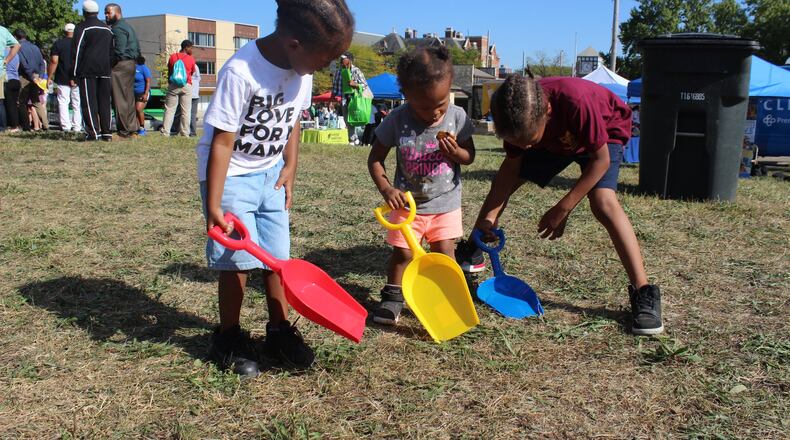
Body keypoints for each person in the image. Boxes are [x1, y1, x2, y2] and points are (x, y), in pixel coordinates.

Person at [196, 0, 354, 377]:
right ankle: (228, 335)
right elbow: (221, 141)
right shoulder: (241, 71)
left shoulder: (302, 72)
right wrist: (215, 203)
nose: (326, 66)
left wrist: (290, 166)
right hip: (231, 175)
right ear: (295, 44)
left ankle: (279, 330)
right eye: (325, 59)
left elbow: (293, 123)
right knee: (236, 263)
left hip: (270, 175)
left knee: (277, 259)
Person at [464, 73, 664, 335]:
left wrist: (563, 207)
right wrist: (489, 217)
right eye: (518, 143)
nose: (523, 147)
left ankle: (644, 292)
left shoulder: (576, 102)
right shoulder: (517, 117)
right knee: (506, 183)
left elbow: (599, 161)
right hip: (554, 141)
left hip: (603, 135)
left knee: (603, 202)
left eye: (529, 141)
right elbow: (510, 169)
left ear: (547, 111)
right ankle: (473, 247)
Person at [367, 46, 476, 325]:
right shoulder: (397, 120)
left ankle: (445, 298)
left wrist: (456, 154)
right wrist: (387, 189)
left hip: (445, 203)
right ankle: (393, 296)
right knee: (402, 253)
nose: (434, 113)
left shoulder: (457, 117)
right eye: (425, 107)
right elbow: (376, 159)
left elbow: (469, 156)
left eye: (440, 104)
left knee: (445, 254)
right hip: (408, 204)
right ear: (406, 95)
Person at [71, 0, 114, 141]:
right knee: (105, 103)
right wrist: (109, 67)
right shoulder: (107, 29)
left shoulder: (82, 28)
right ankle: (107, 132)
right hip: (105, 70)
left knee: (89, 103)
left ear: (84, 12)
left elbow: (77, 51)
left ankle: (93, 132)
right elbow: (111, 52)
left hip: (87, 70)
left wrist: (75, 72)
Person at [106, 3, 141, 138]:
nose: (106, 16)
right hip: (131, 64)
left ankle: (123, 131)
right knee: (129, 98)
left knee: (119, 98)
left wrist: (110, 64)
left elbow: (118, 51)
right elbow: (137, 48)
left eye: (108, 12)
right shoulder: (128, 27)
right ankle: (132, 128)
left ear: (117, 13)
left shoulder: (117, 28)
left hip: (121, 64)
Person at [49, 23, 82, 133]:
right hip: (78, 77)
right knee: (77, 103)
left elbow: (54, 61)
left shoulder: (58, 43)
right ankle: (77, 126)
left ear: (64, 31)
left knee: (63, 102)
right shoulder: (80, 43)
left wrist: (49, 76)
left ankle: (66, 126)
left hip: (62, 76)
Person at [161, 40, 196, 137]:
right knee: (186, 111)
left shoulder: (173, 57)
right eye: (191, 47)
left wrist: (170, 82)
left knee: (169, 109)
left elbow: (170, 70)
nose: (192, 49)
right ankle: (185, 133)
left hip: (173, 85)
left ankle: (165, 132)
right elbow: (192, 72)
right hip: (186, 85)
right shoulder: (191, 59)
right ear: (186, 47)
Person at [13, 29, 46, 132]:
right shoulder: (35, 47)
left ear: (15, 37)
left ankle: (26, 126)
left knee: (22, 101)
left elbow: (24, 64)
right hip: (37, 76)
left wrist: (31, 77)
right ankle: (46, 124)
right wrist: (40, 76)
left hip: (26, 77)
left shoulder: (19, 47)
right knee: (36, 101)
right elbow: (42, 63)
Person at [331, 52, 367, 143]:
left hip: (354, 98)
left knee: (354, 119)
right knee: (346, 119)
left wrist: (355, 84)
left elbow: (365, 85)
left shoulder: (356, 70)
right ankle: (354, 139)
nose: (341, 61)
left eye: (344, 59)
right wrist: (333, 97)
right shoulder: (339, 71)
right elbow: (335, 85)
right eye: (341, 59)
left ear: (349, 60)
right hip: (343, 98)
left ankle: (353, 139)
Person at [0, 26, 21, 132]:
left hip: (7, 78)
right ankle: (7, 126)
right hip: (11, 76)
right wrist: (6, 61)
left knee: (5, 103)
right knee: (7, 103)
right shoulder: (3, 30)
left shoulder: (4, 53)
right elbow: (17, 45)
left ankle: (6, 126)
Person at [3, 49, 21, 132]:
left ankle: (13, 126)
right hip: (16, 80)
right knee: (14, 104)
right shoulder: (16, 55)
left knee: (8, 105)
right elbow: (17, 67)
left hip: (7, 80)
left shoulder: (3, 53)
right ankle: (16, 124)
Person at [133, 56, 151, 135]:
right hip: (134, 93)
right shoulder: (132, 68)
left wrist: (146, 93)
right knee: (135, 111)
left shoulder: (144, 68)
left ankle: (142, 128)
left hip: (143, 92)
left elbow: (148, 81)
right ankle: (137, 128)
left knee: (138, 109)